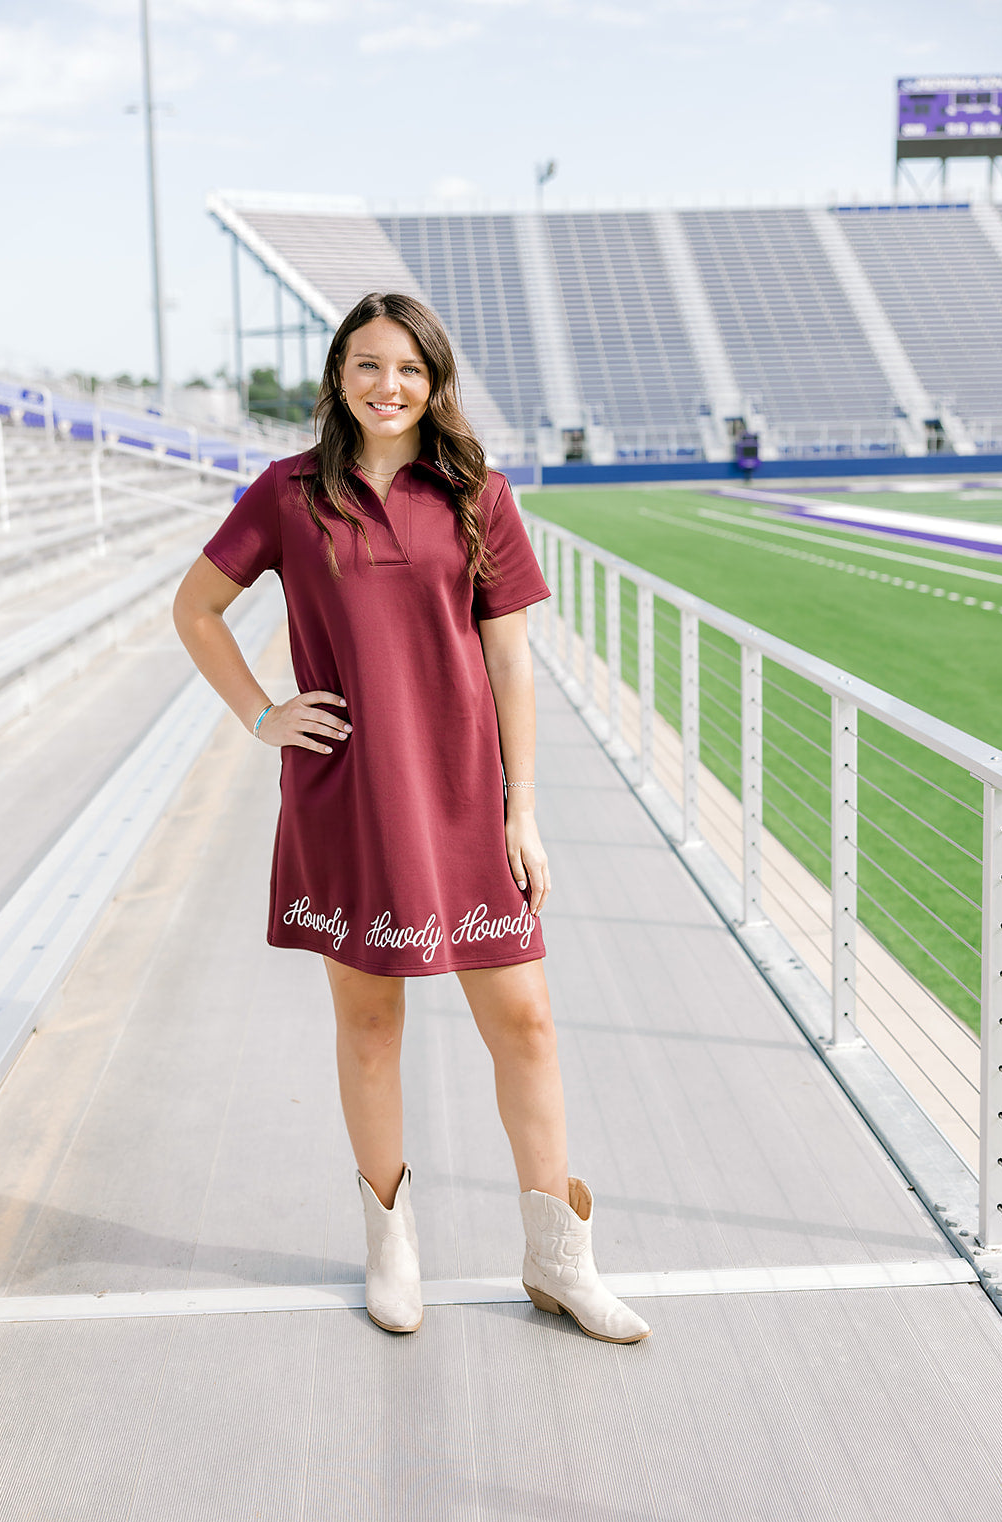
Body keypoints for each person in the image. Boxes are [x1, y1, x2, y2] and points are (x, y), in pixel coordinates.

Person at [173, 291, 649, 1344]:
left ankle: (557, 1259)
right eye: (365, 365)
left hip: (466, 801)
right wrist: (261, 712)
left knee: (524, 1022)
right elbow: (194, 608)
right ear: (337, 374)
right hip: (348, 801)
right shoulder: (289, 494)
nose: (387, 386)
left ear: (435, 382)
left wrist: (523, 809)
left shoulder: (477, 492)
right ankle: (391, 1247)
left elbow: (510, 658)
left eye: (408, 369)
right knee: (370, 1023)